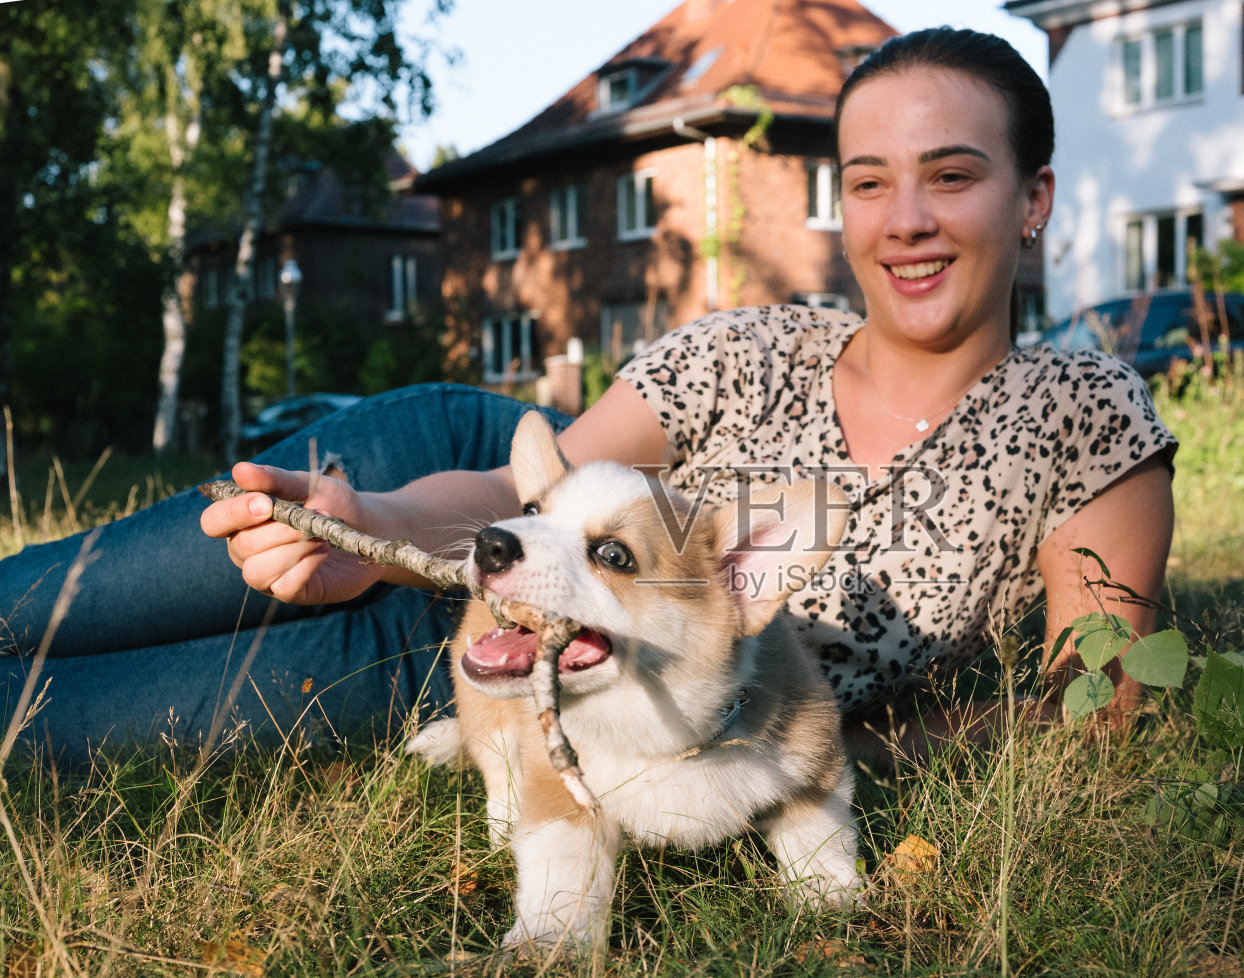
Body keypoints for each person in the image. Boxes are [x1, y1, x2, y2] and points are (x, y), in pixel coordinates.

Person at [1, 28, 1175, 760]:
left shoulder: (1079, 418)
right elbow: (545, 476)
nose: (906, 219)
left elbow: (1099, 703)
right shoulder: (754, 344)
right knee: (40, 599)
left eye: (952, 175)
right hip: (444, 485)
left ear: (1033, 199)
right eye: (869, 182)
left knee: (41, 726)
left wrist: (808, 750)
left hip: (483, 672)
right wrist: (378, 526)